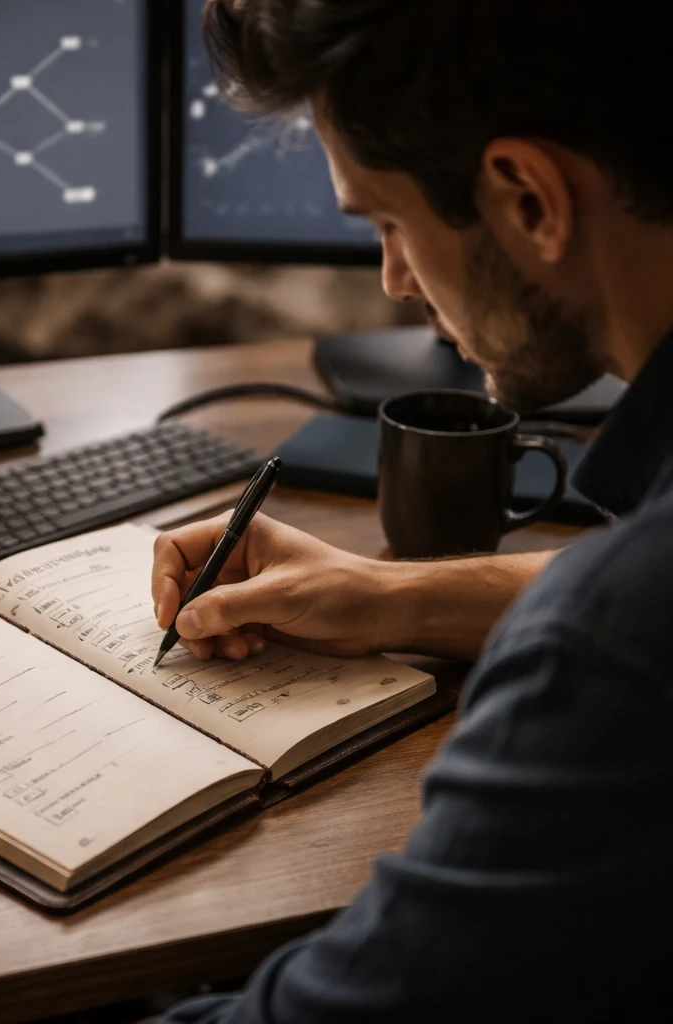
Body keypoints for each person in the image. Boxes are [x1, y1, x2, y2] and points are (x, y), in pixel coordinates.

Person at [150, 1, 673, 1019]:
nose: (393, 282)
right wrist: (387, 594)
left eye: (388, 223)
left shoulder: (614, 649)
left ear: (528, 198)